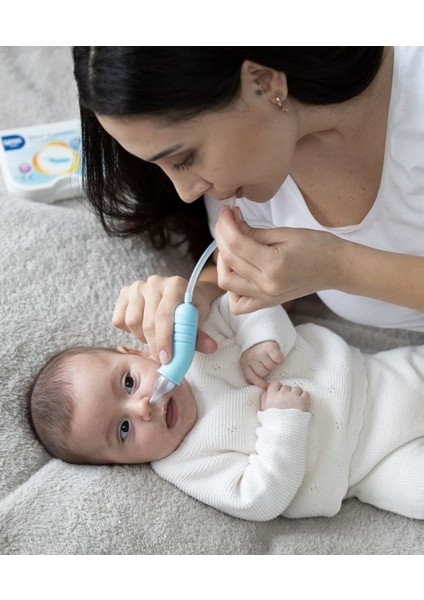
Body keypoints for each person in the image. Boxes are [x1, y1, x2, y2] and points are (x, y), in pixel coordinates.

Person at [72, 47, 424, 368]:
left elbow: (317, 266)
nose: (186, 193)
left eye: (184, 158)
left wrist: (339, 266)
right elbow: (270, 273)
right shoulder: (254, 169)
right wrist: (198, 296)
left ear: (262, 82)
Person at [28, 294, 424, 521]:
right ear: (123, 465)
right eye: (124, 430)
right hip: (365, 467)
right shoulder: (185, 464)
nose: (143, 408)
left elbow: (244, 302)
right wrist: (283, 424)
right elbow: (257, 499)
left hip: (373, 379)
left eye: (129, 383)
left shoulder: (196, 344)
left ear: (137, 352)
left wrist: (261, 340)